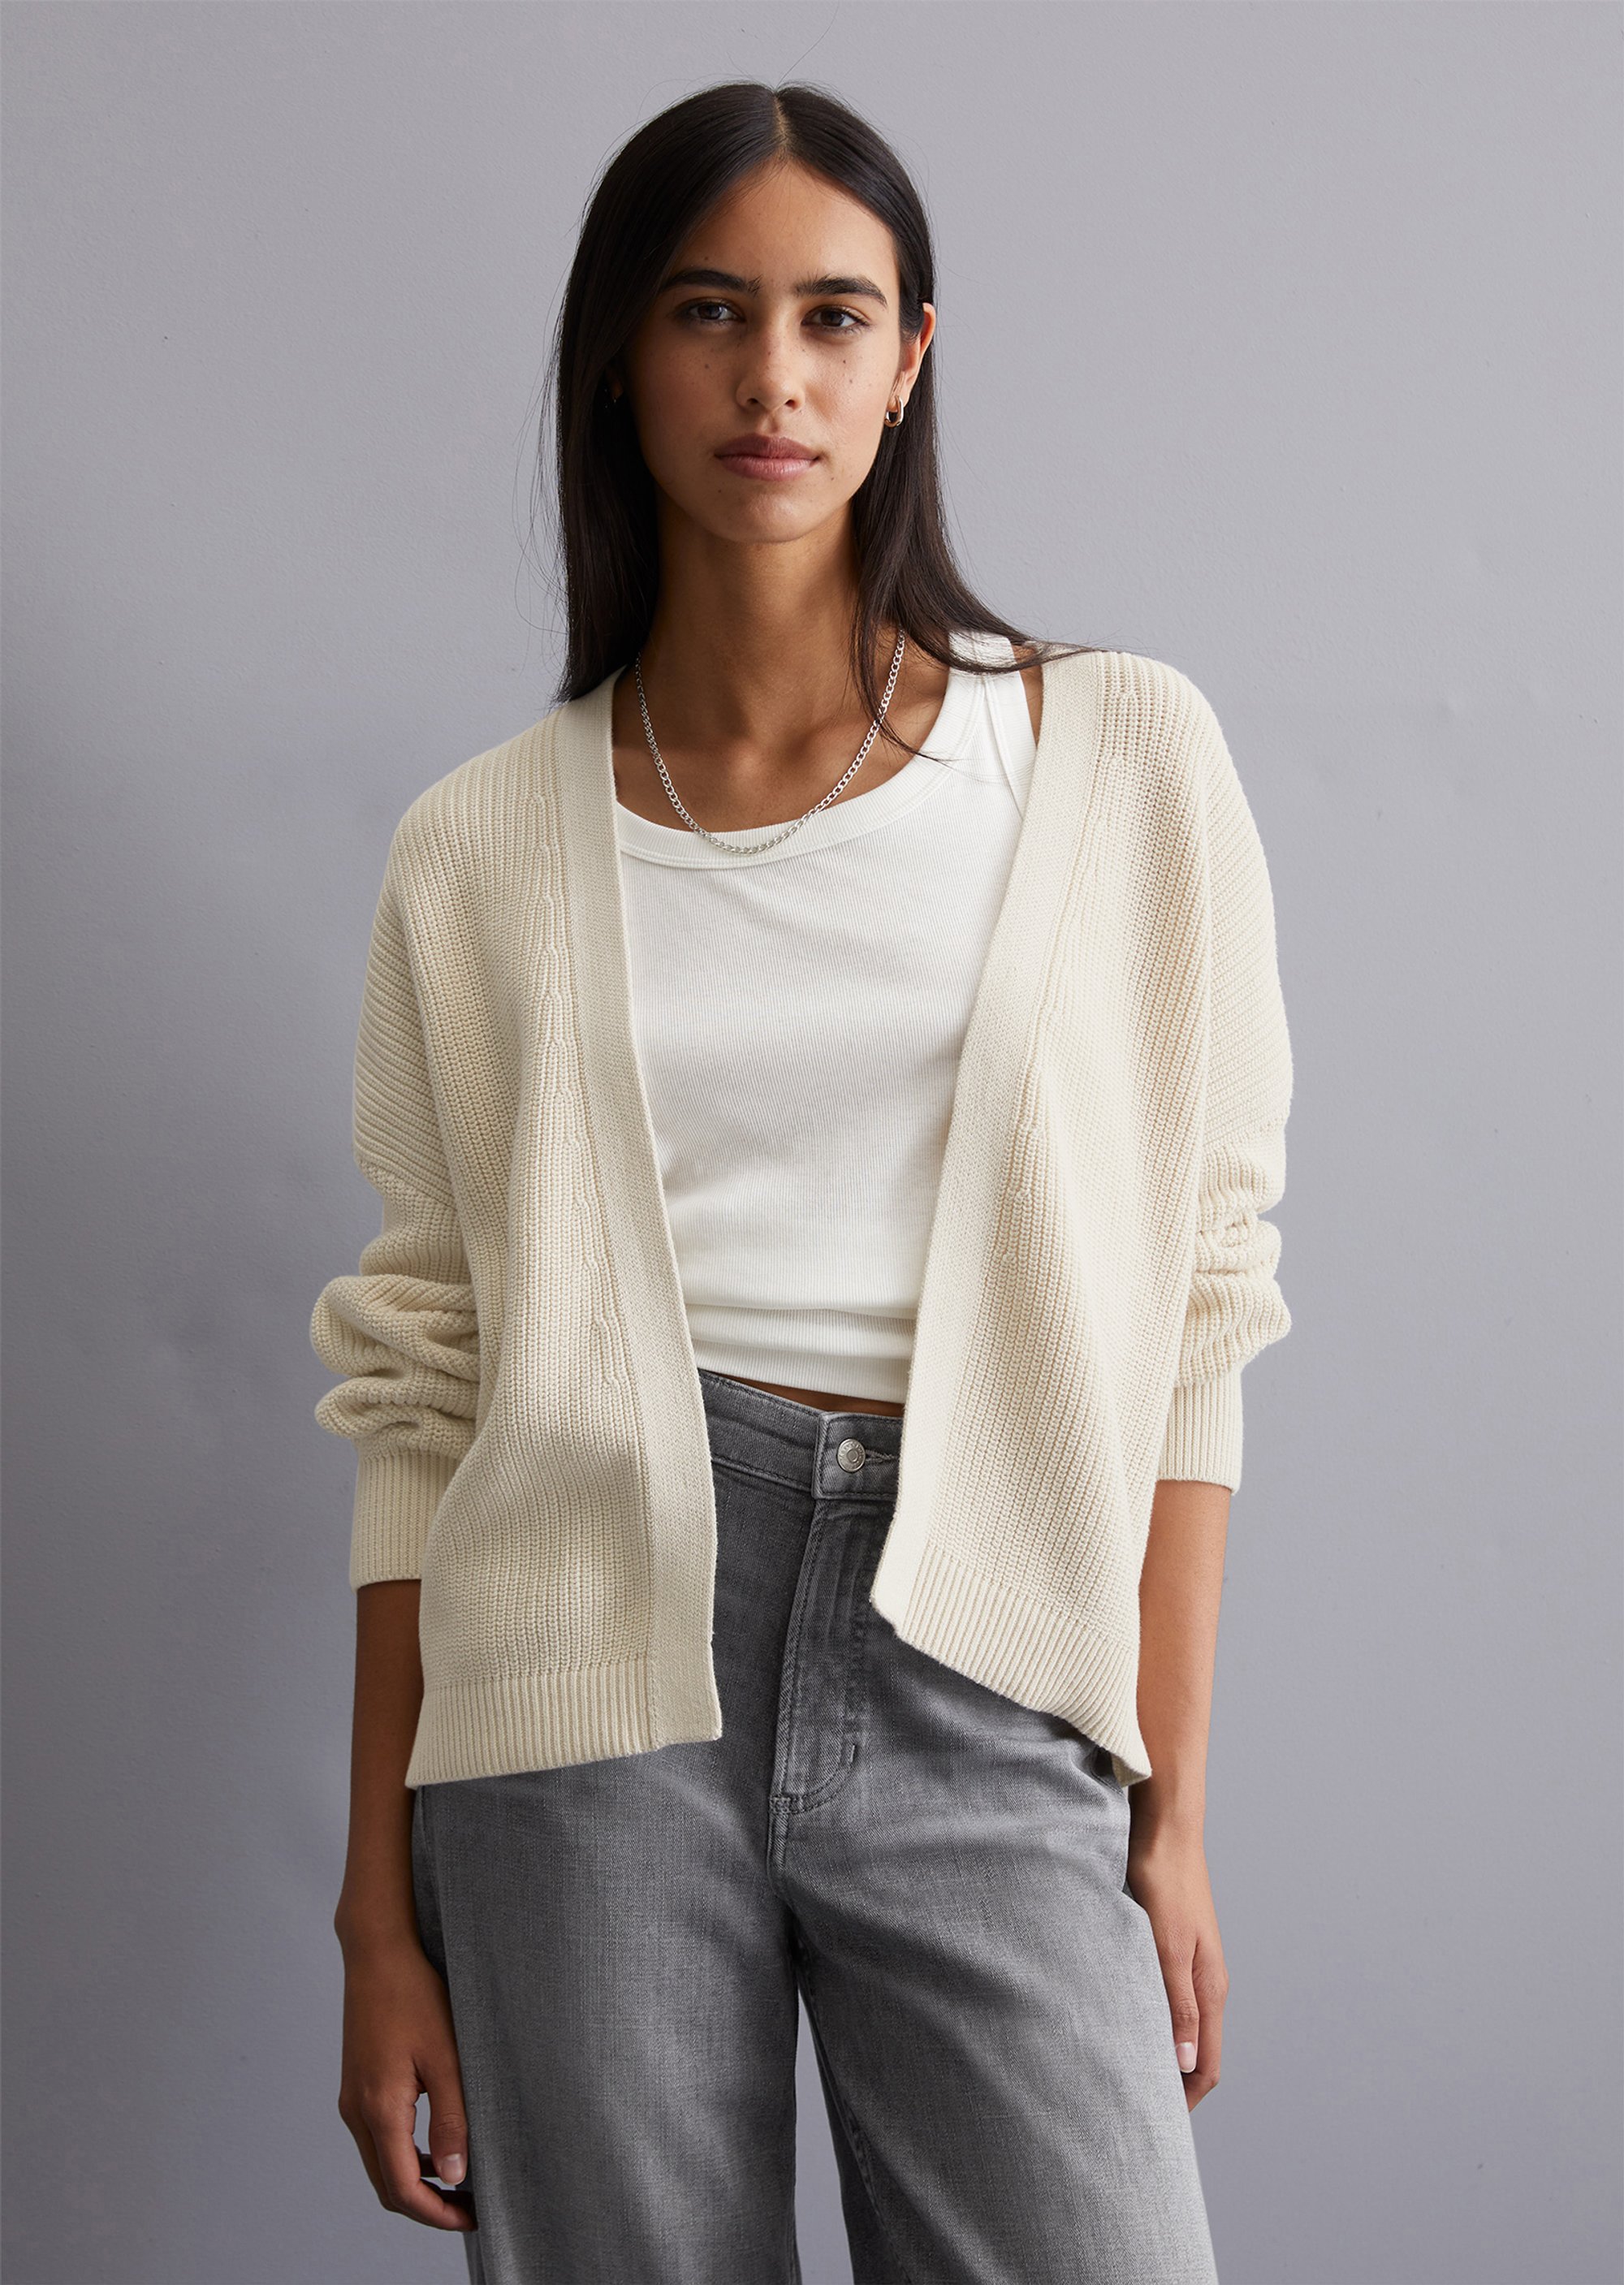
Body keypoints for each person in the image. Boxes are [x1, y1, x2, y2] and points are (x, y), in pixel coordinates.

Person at [309, 77, 1294, 2285]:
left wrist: (1170, 1804)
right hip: (583, 1669)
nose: (774, 377)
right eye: (709, 312)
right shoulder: (479, 852)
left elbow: (1200, 1308)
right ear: (619, 358)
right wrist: (379, 1916)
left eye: (834, 316)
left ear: (910, 358)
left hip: (987, 1641)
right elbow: (422, 1394)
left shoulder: (1115, 759)